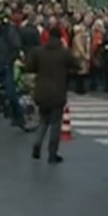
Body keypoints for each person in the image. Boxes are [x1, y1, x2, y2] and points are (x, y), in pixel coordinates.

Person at [26, 21, 78, 163]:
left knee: (43, 121)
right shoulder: (64, 53)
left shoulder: (39, 51)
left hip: (41, 91)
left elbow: (30, 67)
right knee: (55, 124)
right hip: (57, 93)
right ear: (60, 38)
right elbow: (76, 65)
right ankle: (52, 153)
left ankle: (37, 144)